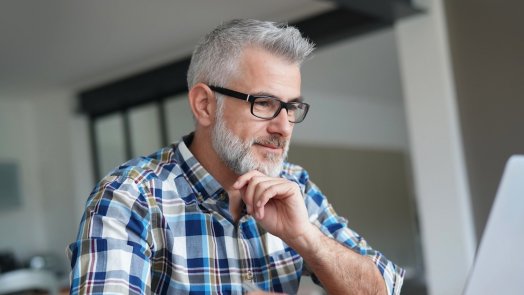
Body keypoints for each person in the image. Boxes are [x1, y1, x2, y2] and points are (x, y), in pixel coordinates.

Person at [68, 19, 404, 294]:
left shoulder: (294, 184)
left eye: (292, 107)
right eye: (265, 103)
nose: (284, 127)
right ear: (204, 105)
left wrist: (306, 238)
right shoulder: (130, 196)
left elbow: (383, 289)